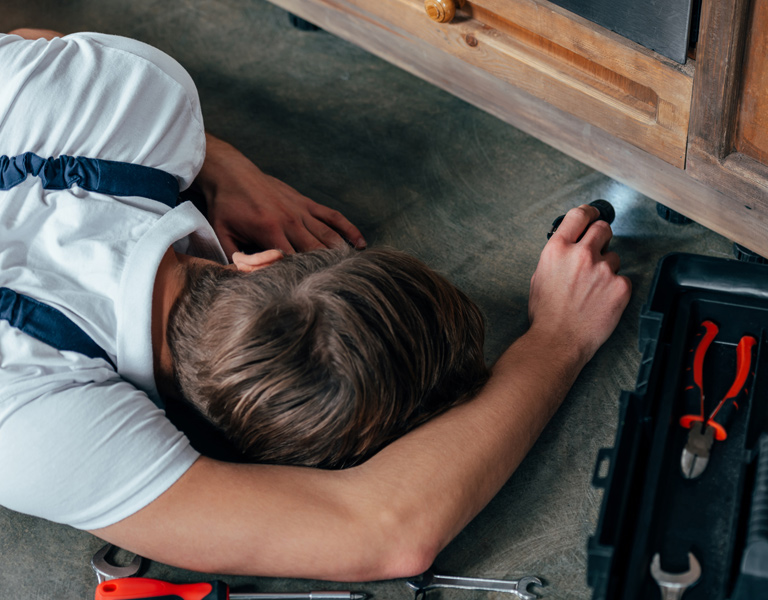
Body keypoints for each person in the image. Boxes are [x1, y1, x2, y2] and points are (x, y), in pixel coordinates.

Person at [0, 28, 631, 581]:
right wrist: (557, 341)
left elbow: (33, 45)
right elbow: (381, 530)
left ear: (260, 260)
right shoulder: (35, 418)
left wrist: (198, 157)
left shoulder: (134, 100)